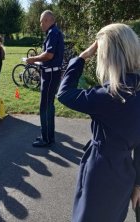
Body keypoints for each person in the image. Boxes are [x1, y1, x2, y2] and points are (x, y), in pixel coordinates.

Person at [57, 23, 140, 222]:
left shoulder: (108, 96)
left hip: (100, 171)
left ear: (108, 56)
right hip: (125, 173)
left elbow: (64, 93)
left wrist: (81, 57)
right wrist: (138, 182)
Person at [26, 10, 64, 148]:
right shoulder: (54, 32)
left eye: (42, 21)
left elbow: (49, 55)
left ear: (48, 20)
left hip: (50, 75)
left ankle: (46, 138)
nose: (41, 24)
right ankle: (49, 136)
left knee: (45, 106)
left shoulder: (53, 33)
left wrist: (32, 59)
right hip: (51, 73)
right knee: (49, 106)